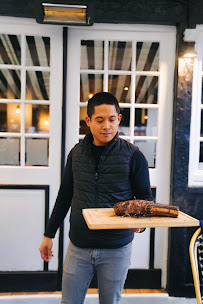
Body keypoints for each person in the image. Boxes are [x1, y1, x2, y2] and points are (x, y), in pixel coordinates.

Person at [39, 92, 153, 304]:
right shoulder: (75, 154)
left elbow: (146, 200)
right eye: (100, 120)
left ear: (119, 119)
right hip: (79, 245)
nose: (106, 126)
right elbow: (64, 196)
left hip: (116, 247)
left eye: (111, 119)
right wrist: (49, 234)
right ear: (89, 121)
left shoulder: (134, 155)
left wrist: (140, 225)